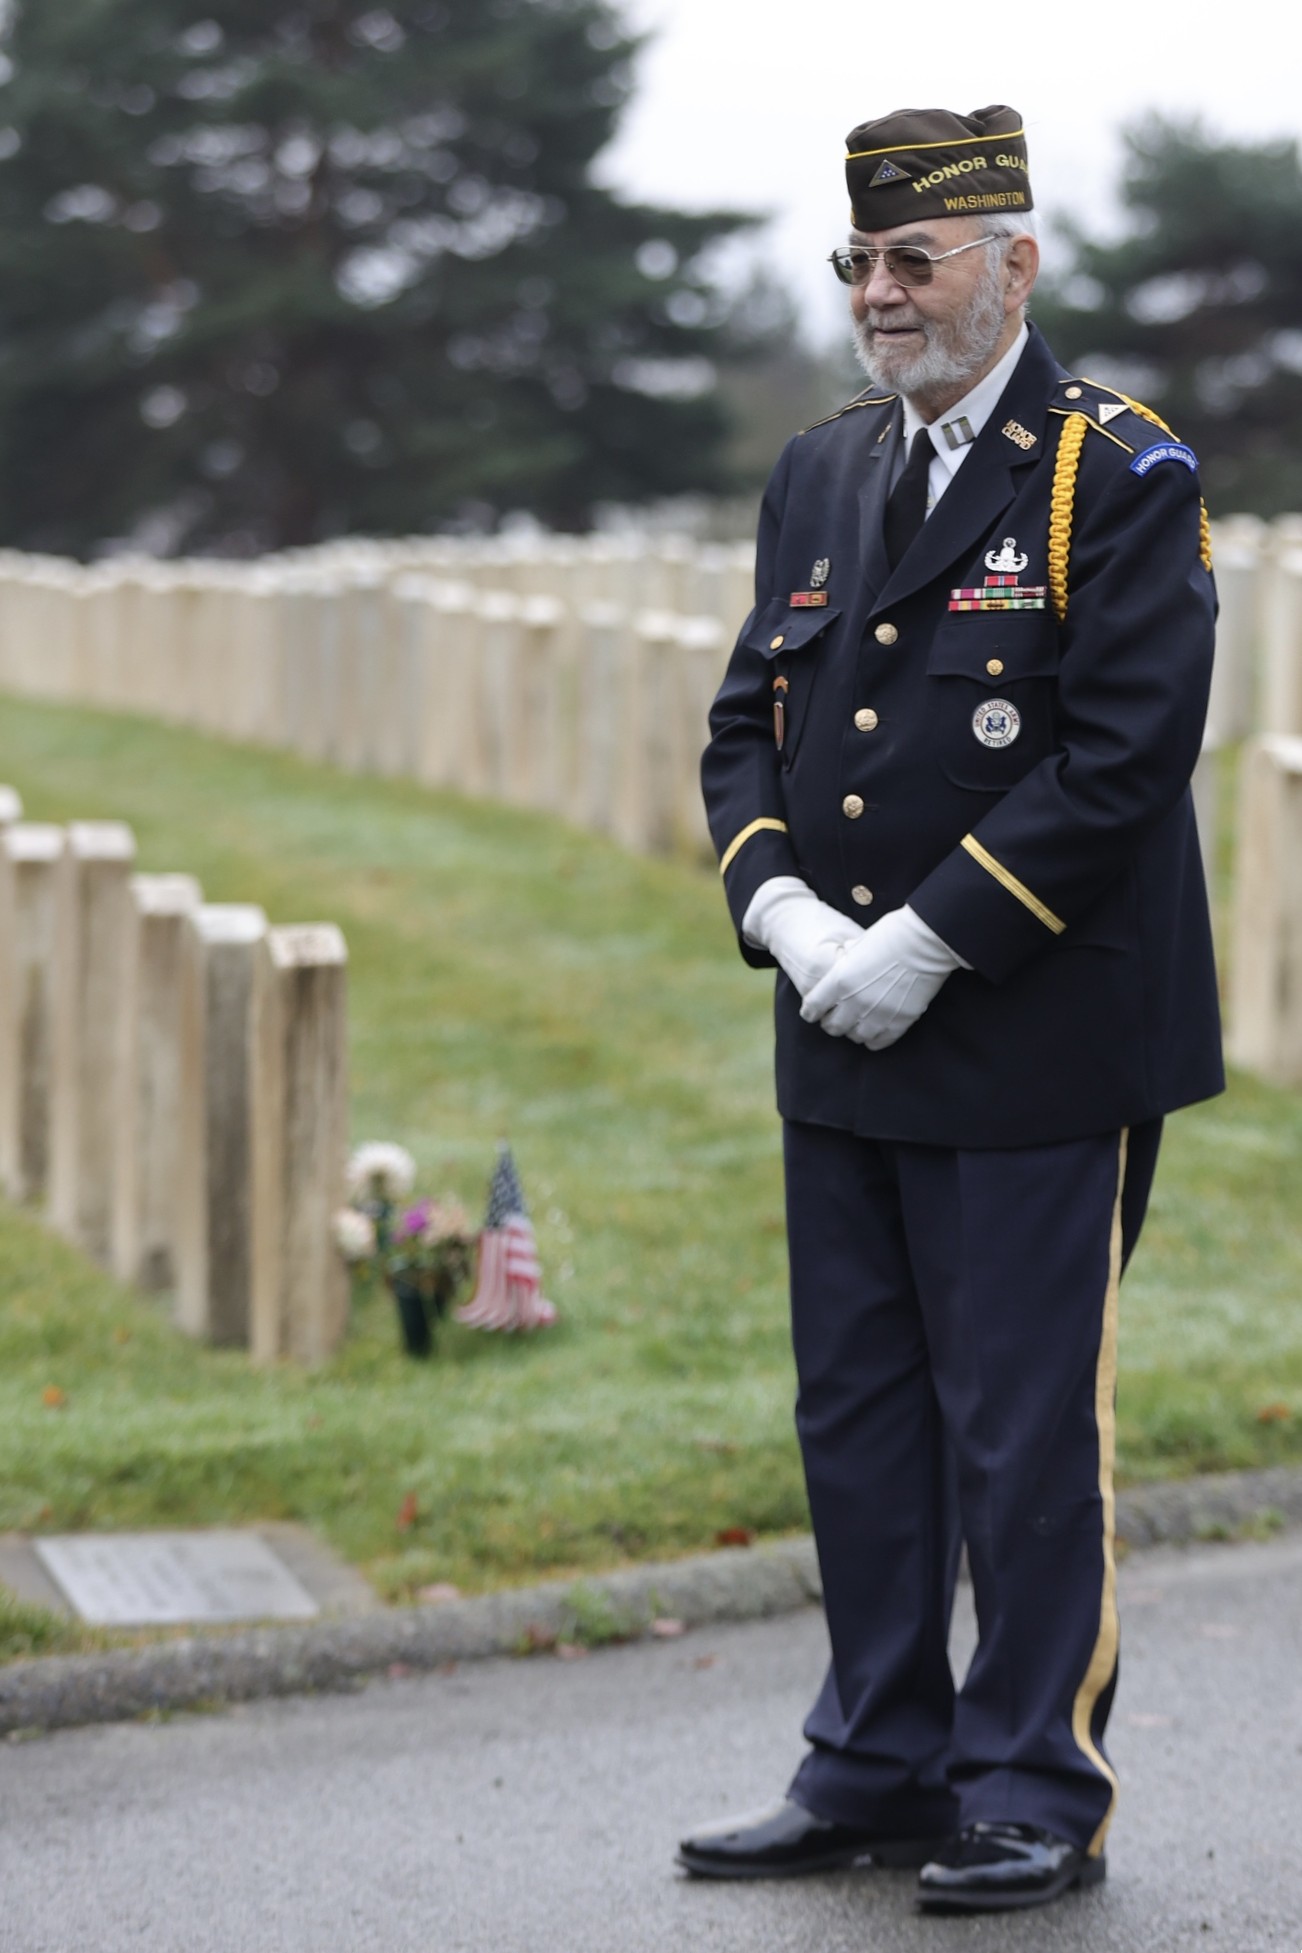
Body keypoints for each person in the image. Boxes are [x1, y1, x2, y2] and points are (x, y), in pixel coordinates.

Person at [680, 103, 1223, 1915]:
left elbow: (1121, 755)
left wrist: (923, 939)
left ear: (1015, 264)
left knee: (1018, 1429)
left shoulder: (1111, 475)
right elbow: (749, 717)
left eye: (914, 259)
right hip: (835, 1033)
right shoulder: (824, 468)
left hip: (1029, 1037)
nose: (879, 294)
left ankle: (1031, 1782)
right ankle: (874, 1759)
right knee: (858, 1416)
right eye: (860, 260)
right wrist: (774, 902)